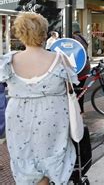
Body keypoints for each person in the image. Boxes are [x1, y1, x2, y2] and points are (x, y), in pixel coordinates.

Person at [0, 12, 76, 184]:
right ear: (44, 32)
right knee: (52, 155)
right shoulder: (59, 59)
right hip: (52, 116)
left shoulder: (8, 60)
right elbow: (70, 88)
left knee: (24, 154)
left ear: (20, 33)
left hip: (18, 116)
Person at [72, 22, 91, 114]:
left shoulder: (74, 38)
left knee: (75, 89)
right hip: (85, 66)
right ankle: (81, 110)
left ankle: (77, 111)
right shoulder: (83, 37)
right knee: (80, 89)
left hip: (78, 68)